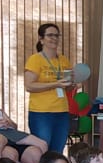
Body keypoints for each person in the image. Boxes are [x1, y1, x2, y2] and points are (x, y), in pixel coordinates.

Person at [23, 23, 75, 154]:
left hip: (62, 111)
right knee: (42, 150)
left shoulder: (63, 60)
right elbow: (29, 85)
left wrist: (72, 85)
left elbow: (67, 88)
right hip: (41, 113)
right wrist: (55, 84)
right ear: (41, 39)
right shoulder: (35, 59)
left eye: (57, 35)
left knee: (57, 151)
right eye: (50, 35)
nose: (54, 38)